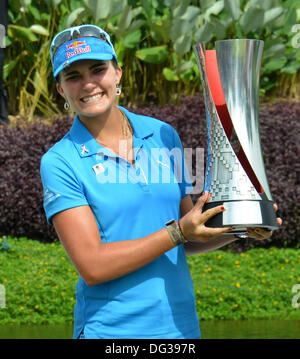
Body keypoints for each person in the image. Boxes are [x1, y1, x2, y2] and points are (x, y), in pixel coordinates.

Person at [40, 24, 282, 339]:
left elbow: (188, 236)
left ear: (117, 74)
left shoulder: (162, 134)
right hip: (111, 333)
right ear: (61, 89)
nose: (88, 84)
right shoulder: (60, 162)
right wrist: (178, 232)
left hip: (180, 329)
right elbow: (93, 266)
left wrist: (241, 228)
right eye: (73, 76)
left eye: (98, 70)